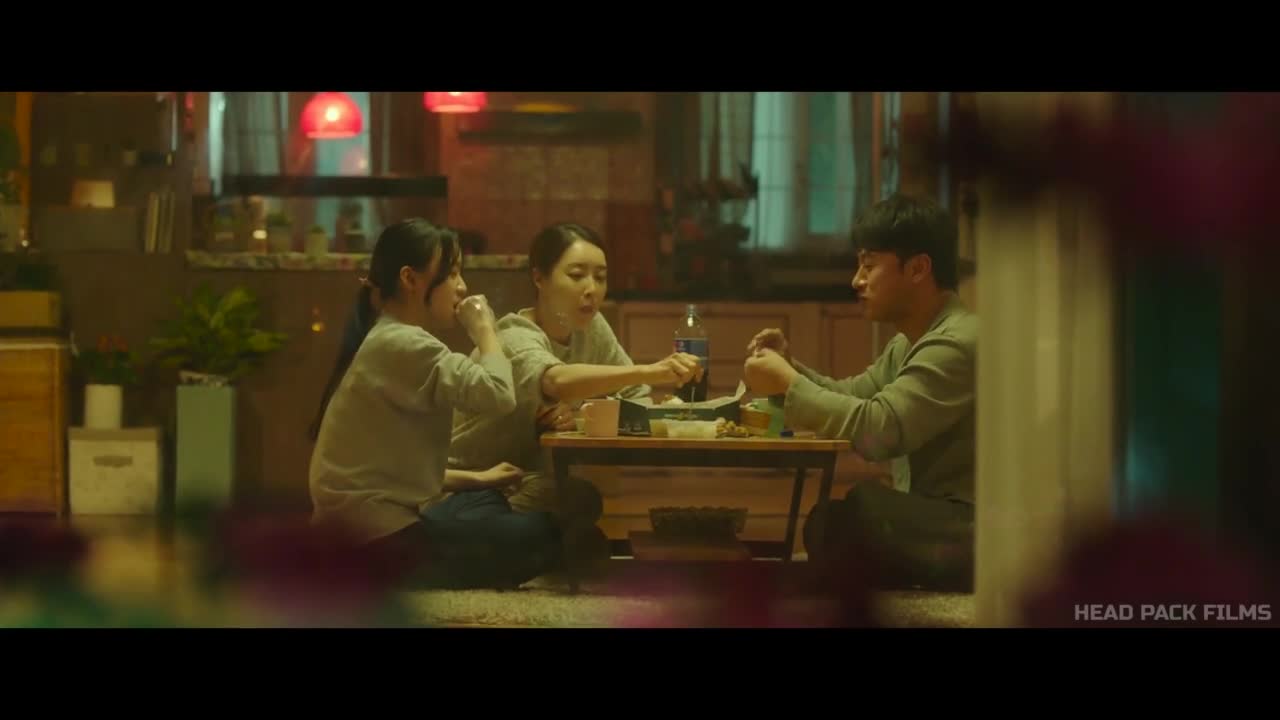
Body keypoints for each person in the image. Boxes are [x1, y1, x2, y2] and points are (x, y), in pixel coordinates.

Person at [308, 218, 560, 590]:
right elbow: (499, 394)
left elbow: (390, 470)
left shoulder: (389, 336)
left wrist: (479, 478)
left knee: (483, 498)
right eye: (452, 273)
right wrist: (484, 329)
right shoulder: (405, 344)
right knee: (547, 532)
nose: (462, 286)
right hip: (375, 542)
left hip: (372, 529)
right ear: (410, 279)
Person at [742, 194, 977, 590]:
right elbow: (854, 394)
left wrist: (788, 383)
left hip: (973, 524)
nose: (857, 280)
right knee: (828, 522)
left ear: (918, 269)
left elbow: (879, 429)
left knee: (862, 509)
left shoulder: (956, 342)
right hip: (934, 516)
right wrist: (790, 367)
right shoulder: (911, 342)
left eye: (869, 265)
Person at [448, 222, 703, 571]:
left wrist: (583, 414)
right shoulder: (515, 336)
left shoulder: (591, 328)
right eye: (577, 275)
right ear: (539, 278)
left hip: (520, 479)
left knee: (582, 499)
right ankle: (487, 546)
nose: (591, 289)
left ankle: (521, 549)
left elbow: (635, 395)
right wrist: (650, 370)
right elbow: (557, 381)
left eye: (601, 277)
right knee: (575, 523)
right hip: (469, 483)